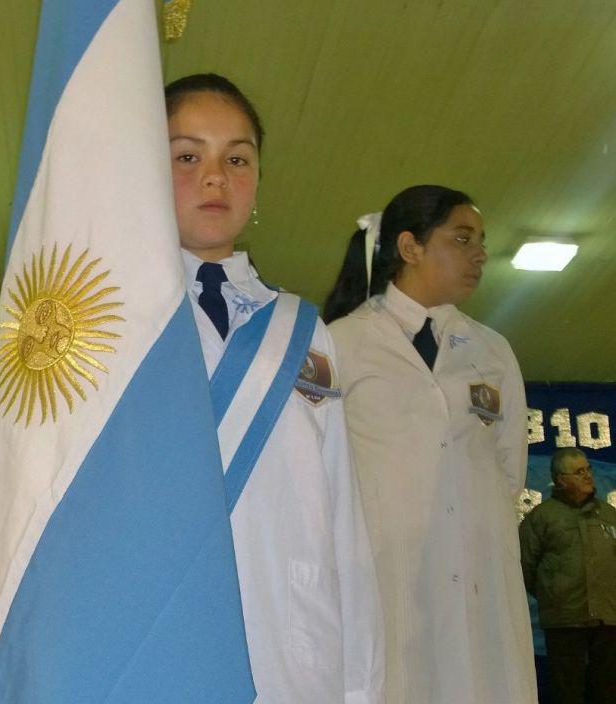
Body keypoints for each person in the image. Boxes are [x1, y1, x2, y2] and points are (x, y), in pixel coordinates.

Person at [165, 73, 383, 703]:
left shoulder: (304, 329)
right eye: (187, 156)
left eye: (237, 158)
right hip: (156, 636)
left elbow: (342, 511)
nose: (215, 176)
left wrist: (362, 690)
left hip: (292, 649)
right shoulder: (115, 321)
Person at [324, 186, 537, 703]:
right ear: (410, 247)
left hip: (481, 570)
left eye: (481, 241)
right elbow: (323, 469)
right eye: (462, 238)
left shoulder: (491, 348)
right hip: (388, 570)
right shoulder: (341, 342)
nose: (480, 254)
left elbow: (510, 466)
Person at [519, 448, 616, 704]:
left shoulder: (609, 514)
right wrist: (553, 596)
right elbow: (526, 567)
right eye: (579, 472)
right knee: (567, 693)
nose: (588, 476)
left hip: (607, 620)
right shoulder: (541, 518)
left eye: (589, 470)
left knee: (607, 692)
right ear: (561, 479)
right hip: (564, 621)